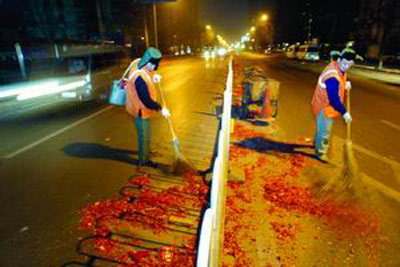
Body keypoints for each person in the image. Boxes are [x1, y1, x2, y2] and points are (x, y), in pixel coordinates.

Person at [126, 47, 170, 166]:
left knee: (146, 133)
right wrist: (160, 108)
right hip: (140, 109)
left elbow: (149, 71)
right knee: (144, 135)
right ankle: (143, 160)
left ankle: (146, 151)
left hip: (141, 109)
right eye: (153, 66)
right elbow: (146, 100)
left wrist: (154, 77)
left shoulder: (138, 63)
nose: (154, 68)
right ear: (147, 62)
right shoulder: (139, 79)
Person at [311, 48, 356, 162]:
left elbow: (340, 78)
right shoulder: (332, 77)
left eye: (349, 65)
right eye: (344, 63)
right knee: (325, 130)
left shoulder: (338, 65)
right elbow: (334, 100)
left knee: (321, 128)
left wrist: (345, 84)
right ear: (340, 60)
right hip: (324, 106)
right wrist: (344, 112)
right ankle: (320, 153)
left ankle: (317, 143)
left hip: (325, 103)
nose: (346, 67)